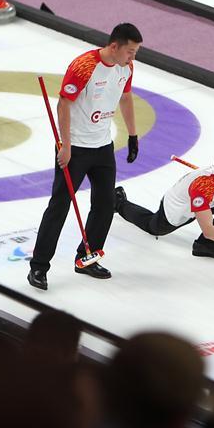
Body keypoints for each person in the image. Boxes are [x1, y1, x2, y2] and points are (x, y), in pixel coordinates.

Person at [28, 23, 143, 291]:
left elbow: (125, 98)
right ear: (114, 46)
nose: (133, 57)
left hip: (103, 146)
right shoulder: (84, 66)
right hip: (76, 148)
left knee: (104, 205)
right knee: (59, 206)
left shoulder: (126, 68)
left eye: (136, 52)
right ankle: (39, 266)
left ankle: (86, 258)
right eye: (130, 51)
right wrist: (65, 146)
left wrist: (133, 135)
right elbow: (63, 104)